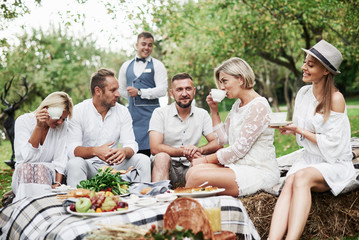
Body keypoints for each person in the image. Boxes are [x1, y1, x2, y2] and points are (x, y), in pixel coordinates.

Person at [268, 40, 356, 239]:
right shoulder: (304, 93)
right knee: (289, 181)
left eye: (310, 64)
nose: (303, 67)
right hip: (310, 158)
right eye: (305, 62)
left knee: (301, 177)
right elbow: (303, 130)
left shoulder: (336, 99)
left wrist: (299, 129)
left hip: (333, 161)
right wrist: (292, 130)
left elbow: (333, 144)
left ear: (326, 71)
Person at [185, 57, 280, 197]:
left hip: (259, 171)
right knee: (192, 172)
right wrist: (214, 110)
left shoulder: (258, 105)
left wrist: (205, 159)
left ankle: (183, 211)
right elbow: (222, 139)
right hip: (240, 166)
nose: (221, 87)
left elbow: (238, 150)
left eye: (224, 81)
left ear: (240, 79)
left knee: (196, 177)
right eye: (220, 82)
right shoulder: (237, 105)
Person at [66, 68, 151, 187]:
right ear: (98, 91)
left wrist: (124, 151)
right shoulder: (78, 111)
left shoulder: (123, 112)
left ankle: (142, 198)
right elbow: (71, 150)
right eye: (113, 90)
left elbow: (131, 144)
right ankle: (76, 202)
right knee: (74, 163)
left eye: (118, 89)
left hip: (115, 167)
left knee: (143, 159)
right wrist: (95, 151)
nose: (118, 94)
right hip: (89, 166)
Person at [148, 73, 221, 187]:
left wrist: (198, 150)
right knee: (162, 157)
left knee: (210, 159)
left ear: (194, 91)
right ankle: (159, 196)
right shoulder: (159, 113)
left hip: (192, 166)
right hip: (167, 167)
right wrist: (183, 151)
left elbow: (217, 142)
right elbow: (155, 147)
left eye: (188, 89)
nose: (184, 93)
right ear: (172, 93)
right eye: (179, 89)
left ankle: (203, 201)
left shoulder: (202, 114)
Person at [11, 92, 73, 201]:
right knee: (27, 168)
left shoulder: (62, 127)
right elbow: (26, 158)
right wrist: (39, 126)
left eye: (64, 119)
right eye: (58, 117)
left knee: (41, 169)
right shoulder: (23, 121)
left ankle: (42, 205)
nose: (60, 122)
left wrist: (58, 183)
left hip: (48, 176)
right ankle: (25, 205)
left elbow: (60, 157)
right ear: (46, 109)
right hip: (24, 176)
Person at [118, 31, 168, 157]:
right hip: (133, 117)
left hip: (153, 115)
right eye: (143, 44)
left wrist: (140, 92)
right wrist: (131, 97)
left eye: (150, 45)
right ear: (137, 45)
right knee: (134, 151)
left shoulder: (158, 65)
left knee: (154, 151)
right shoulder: (125, 66)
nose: (146, 48)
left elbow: (163, 90)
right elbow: (121, 89)